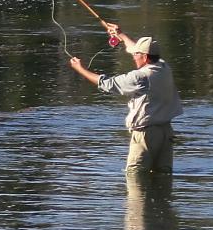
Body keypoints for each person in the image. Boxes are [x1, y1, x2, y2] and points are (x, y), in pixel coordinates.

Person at [68, 23, 181, 172]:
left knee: (135, 177)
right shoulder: (164, 67)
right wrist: (120, 35)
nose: (133, 56)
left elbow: (107, 83)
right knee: (163, 176)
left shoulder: (140, 77)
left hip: (144, 135)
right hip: (166, 133)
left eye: (136, 54)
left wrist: (80, 69)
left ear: (145, 57)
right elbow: (135, 48)